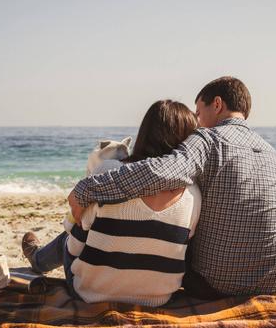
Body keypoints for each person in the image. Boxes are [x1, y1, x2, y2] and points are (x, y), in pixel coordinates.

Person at [68, 76, 276, 300]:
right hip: (274, 283)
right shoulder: (269, 151)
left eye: (198, 112)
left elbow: (162, 172)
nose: (197, 121)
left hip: (212, 286)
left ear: (217, 104)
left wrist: (87, 189)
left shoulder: (207, 138)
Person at [22, 100, 202, 307]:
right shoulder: (194, 193)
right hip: (157, 298)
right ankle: (38, 258)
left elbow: (75, 245)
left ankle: (38, 260)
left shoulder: (108, 172)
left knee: (74, 232)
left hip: (92, 294)